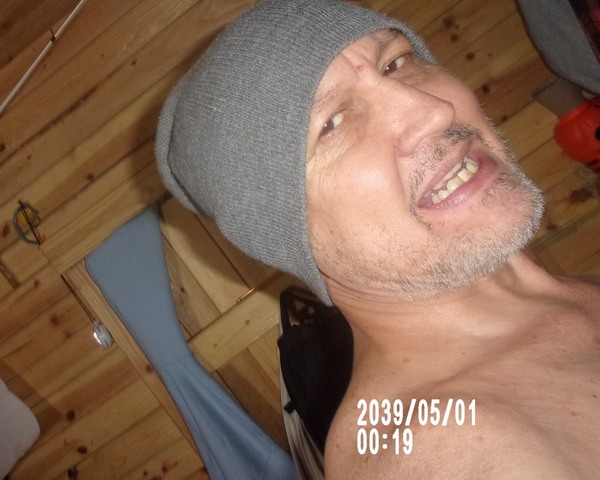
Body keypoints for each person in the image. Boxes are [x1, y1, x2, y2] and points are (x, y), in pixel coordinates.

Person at [155, 0, 600, 478]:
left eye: (397, 62)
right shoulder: (432, 449)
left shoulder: (564, 303)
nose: (433, 112)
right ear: (284, 234)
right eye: (332, 123)